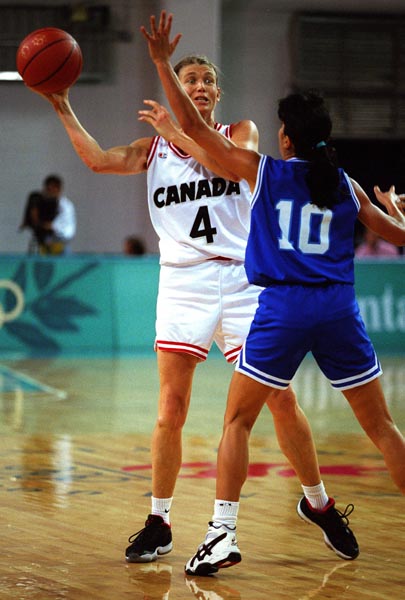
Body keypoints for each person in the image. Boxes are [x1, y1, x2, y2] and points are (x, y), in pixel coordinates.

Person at [138, 12, 405, 576]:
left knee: (237, 422)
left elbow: (203, 139)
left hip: (279, 309)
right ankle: (311, 504)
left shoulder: (262, 172)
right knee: (382, 428)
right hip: (337, 311)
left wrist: (163, 66)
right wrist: (396, 213)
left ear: (285, 138)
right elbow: (397, 237)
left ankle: (223, 532)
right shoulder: (346, 184)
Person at [26, 13, 264, 564]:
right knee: (170, 409)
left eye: (207, 80)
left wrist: (177, 129)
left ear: (217, 94)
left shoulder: (239, 134)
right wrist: (61, 104)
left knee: (277, 400)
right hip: (183, 281)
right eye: (190, 80)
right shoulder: (152, 149)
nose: (200, 87)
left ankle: (313, 500)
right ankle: (160, 519)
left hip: (241, 277)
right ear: (177, 90)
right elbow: (96, 159)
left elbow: (226, 170)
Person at [19, 174, 76, 255]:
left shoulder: (65, 206)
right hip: (41, 245)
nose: (51, 192)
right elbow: (34, 222)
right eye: (48, 189)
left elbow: (68, 231)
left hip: (60, 246)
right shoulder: (39, 202)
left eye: (53, 189)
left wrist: (52, 226)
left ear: (59, 189)